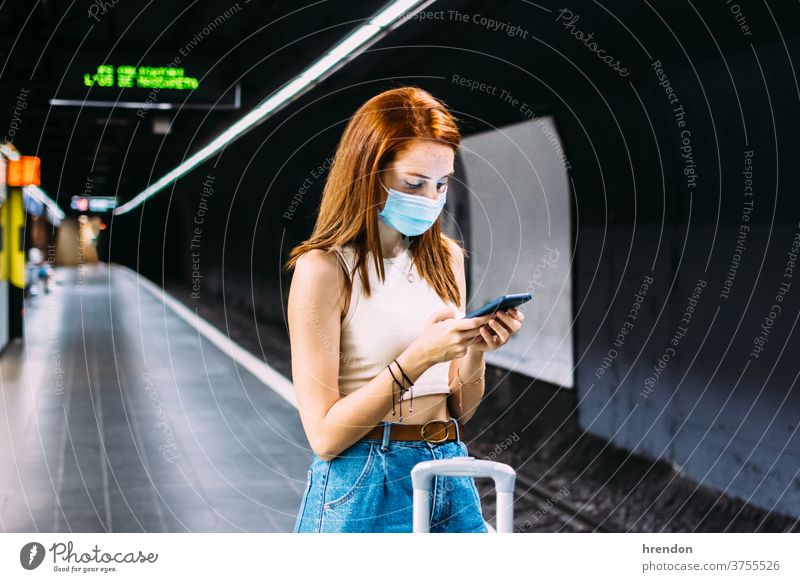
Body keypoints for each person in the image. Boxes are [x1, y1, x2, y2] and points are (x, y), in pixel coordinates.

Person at [284, 86, 525, 533]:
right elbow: (324, 436)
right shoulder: (323, 269)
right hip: (363, 477)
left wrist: (475, 349)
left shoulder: (446, 258)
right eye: (413, 183)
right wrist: (419, 358)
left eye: (442, 183)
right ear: (368, 173)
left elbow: (459, 411)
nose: (430, 199)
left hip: (447, 465)